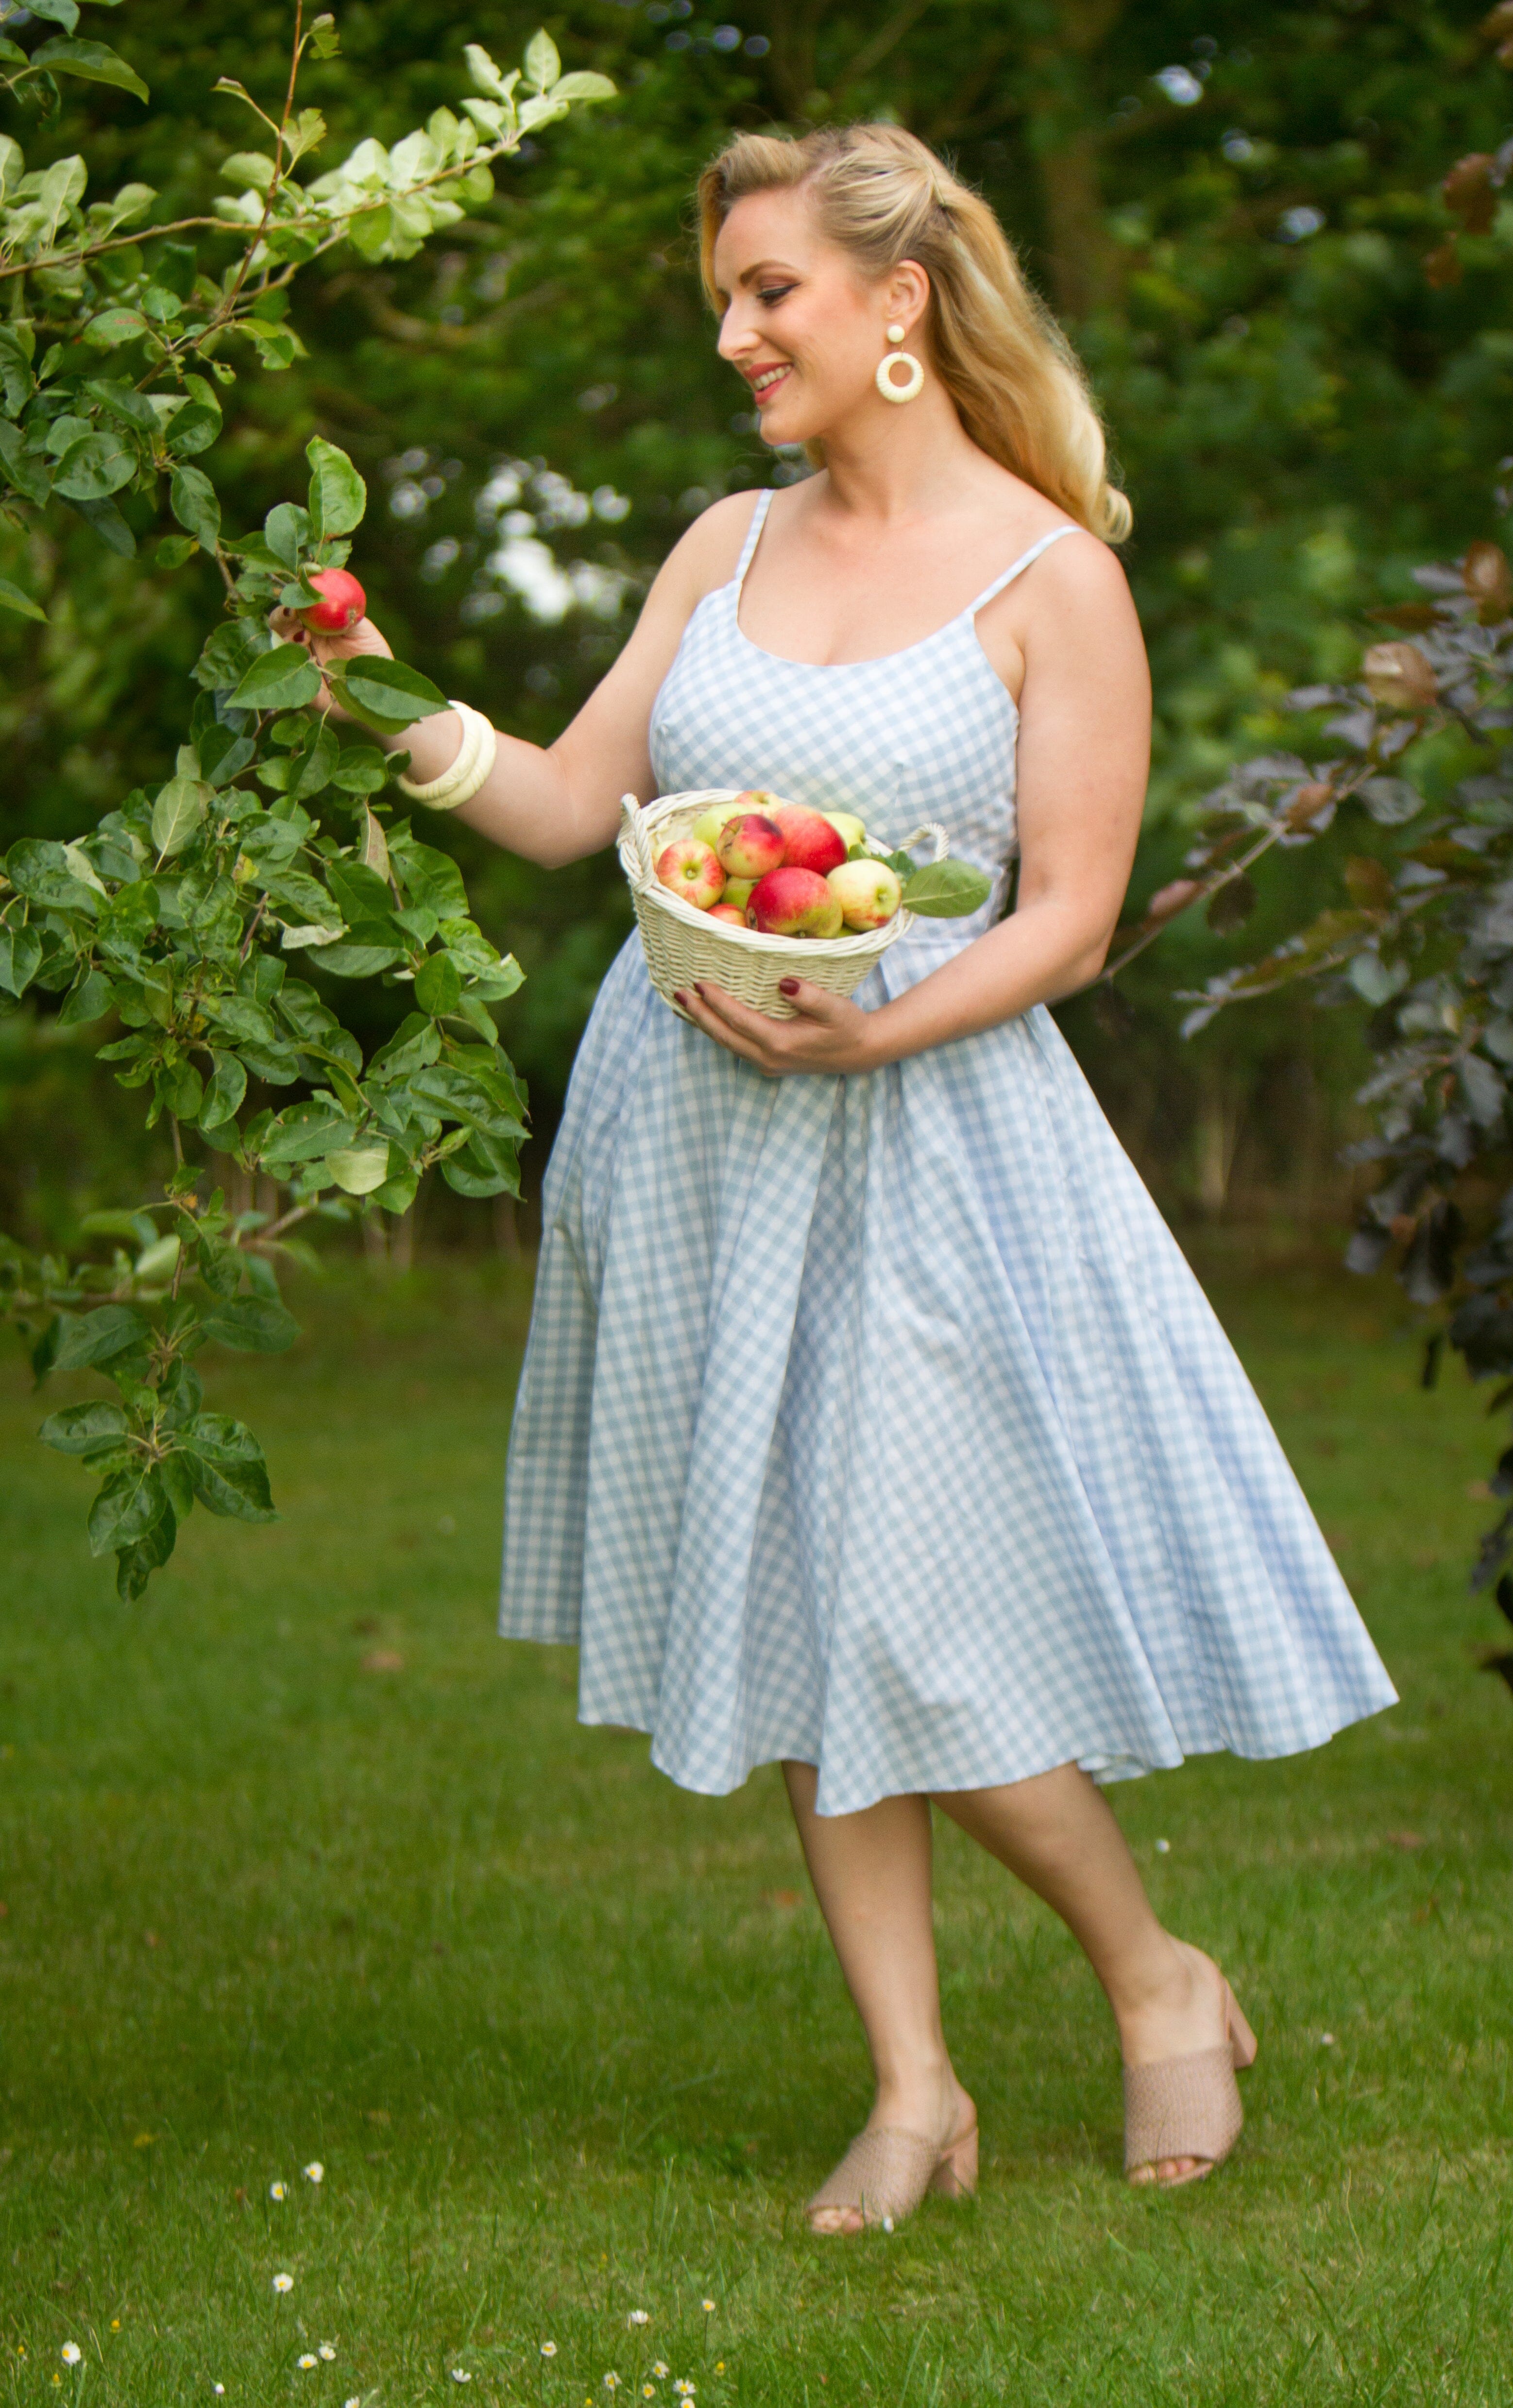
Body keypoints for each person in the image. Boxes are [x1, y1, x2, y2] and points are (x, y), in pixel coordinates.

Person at [295, 122, 1396, 2229]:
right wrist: (378, 704)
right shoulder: (718, 547)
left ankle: (1153, 1971)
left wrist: (870, 1026)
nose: (733, 334)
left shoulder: (1046, 580)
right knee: (800, 1605)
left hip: (922, 1133)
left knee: (917, 1613)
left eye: (767, 292)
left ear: (896, 302)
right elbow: (558, 811)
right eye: (721, 298)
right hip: (693, 1127)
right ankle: (911, 2085)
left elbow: (1065, 913)